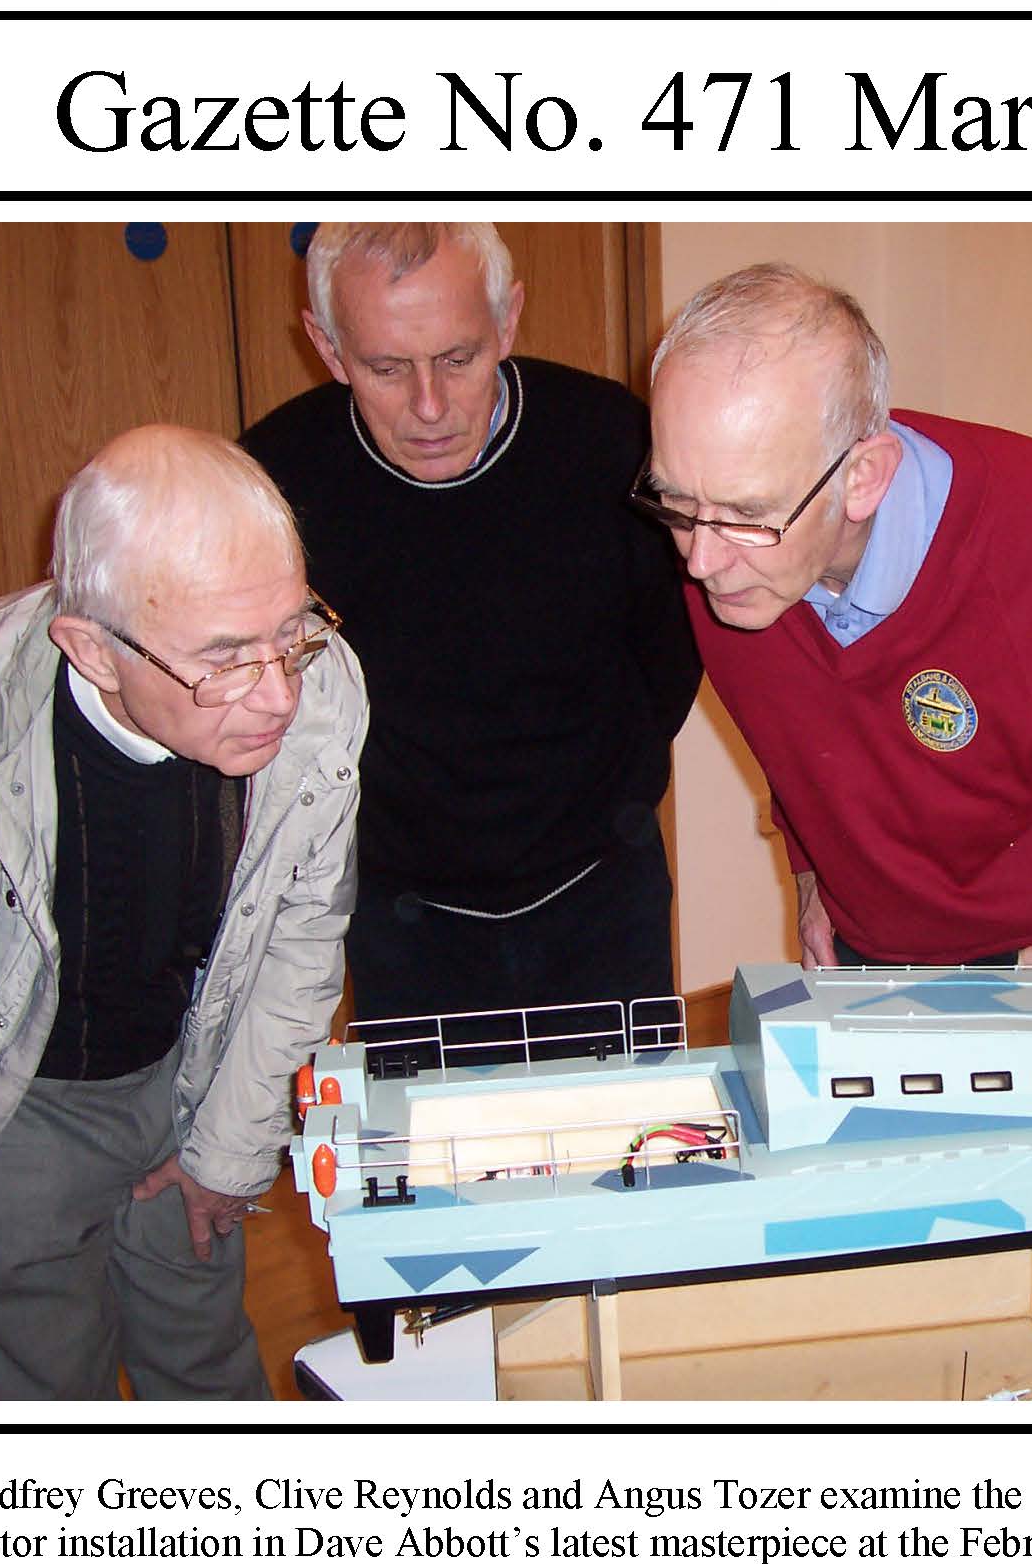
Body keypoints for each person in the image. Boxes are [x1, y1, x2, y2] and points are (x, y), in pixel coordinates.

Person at [644, 264, 1032, 971]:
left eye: (747, 513)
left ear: (863, 478)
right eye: (676, 500)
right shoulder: (734, 558)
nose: (701, 561)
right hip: (866, 950)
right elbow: (799, 731)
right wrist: (809, 872)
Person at [0, 426, 367, 1400]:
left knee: (207, 1353)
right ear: (93, 651)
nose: (278, 693)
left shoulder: (321, 688)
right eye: (225, 659)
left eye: (291, 632)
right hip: (16, 1105)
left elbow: (302, 937)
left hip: (190, 1063)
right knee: (50, 1389)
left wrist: (230, 1148)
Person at [243, 224, 700, 1048]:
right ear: (328, 347)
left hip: (603, 893)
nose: (429, 406)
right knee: (423, 1134)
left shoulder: (612, 443)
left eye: (457, 358)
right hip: (399, 915)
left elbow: (671, 655)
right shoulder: (274, 482)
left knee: (625, 1127)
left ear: (507, 321)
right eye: (386, 368)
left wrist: (602, 795)